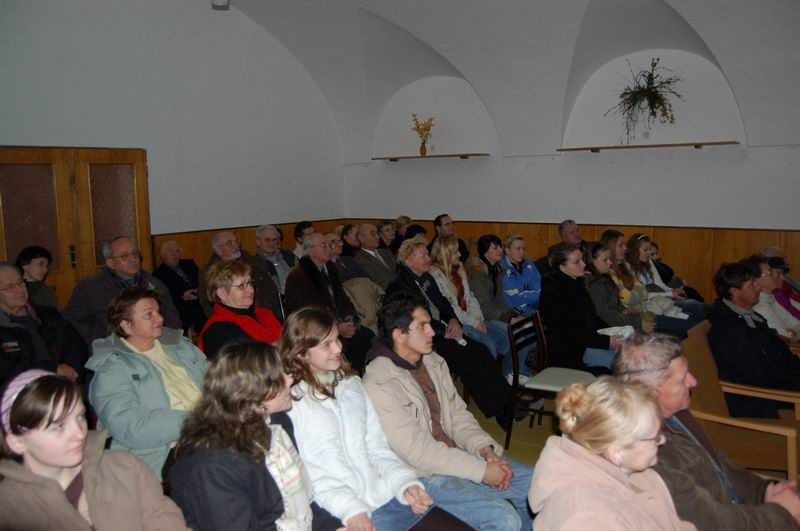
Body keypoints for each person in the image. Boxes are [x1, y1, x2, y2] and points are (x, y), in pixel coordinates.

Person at [363, 291, 534, 530]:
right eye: (422, 326)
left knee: (535, 486)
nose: (432, 332)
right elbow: (418, 452)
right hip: (423, 475)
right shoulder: (379, 382)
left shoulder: (432, 361)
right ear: (399, 335)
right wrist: (482, 471)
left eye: (429, 324)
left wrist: (484, 449)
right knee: (504, 518)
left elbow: (457, 416)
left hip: (457, 454)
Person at [615, 332, 800, 530]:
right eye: (682, 379)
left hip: (747, 511)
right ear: (651, 393)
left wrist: (765, 491)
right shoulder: (647, 456)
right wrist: (780, 513)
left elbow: (718, 463)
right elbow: (711, 522)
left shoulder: (678, 415)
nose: (693, 382)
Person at [279, 307, 434, 530]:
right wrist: (350, 509)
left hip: (384, 495)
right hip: (340, 513)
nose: (338, 348)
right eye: (326, 344)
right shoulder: (293, 403)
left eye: (337, 339)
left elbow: (377, 445)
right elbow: (311, 473)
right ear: (301, 353)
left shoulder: (351, 385)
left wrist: (404, 483)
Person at [169, 342, 342, 531]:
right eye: (280, 376)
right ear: (253, 391)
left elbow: (302, 507)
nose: (290, 380)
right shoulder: (212, 464)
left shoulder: (274, 426)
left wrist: (334, 528)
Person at [0, 370, 190, 531]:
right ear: (17, 442)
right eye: (58, 426)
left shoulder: (125, 467)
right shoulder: (9, 508)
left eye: (80, 417)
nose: (79, 433)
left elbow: (166, 522)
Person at [529, 376, 696, 530]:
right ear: (617, 453)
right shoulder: (586, 518)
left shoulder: (636, 473)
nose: (662, 441)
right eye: (654, 437)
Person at [385, 236, 515, 426]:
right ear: (408, 260)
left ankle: (508, 400)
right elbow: (414, 319)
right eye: (423, 255)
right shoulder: (400, 285)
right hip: (419, 337)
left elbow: (443, 302)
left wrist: (453, 319)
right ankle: (497, 409)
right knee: (466, 357)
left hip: (438, 328)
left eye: (427, 254)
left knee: (480, 350)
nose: (428, 258)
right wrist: (443, 330)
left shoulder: (425, 277)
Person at [86, 286, 208, 477]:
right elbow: (130, 426)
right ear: (126, 325)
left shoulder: (180, 346)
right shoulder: (112, 369)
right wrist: (199, 421)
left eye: (158, 312)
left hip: (209, 432)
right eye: (148, 314)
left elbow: (215, 382)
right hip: (162, 450)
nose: (160, 319)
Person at [708, 261, 800, 418]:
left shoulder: (750, 316)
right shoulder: (727, 328)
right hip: (762, 399)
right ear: (735, 291)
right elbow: (754, 375)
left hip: (780, 381)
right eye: (752, 284)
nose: (758, 287)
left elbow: (777, 352)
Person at [284, 232, 375, 373]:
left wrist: (349, 317)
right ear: (310, 251)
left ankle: (357, 375)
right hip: (318, 329)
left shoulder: (330, 268)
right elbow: (308, 312)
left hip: (338, 321)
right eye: (323, 245)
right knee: (351, 342)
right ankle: (346, 374)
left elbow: (342, 297)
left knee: (367, 335)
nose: (329, 248)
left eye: (329, 244)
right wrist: (337, 327)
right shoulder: (298, 276)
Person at [64, 236, 180, 344]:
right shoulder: (90, 287)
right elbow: (73, 322)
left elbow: (172, 319)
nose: (133, 259)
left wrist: (162, 341)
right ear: (111, 263)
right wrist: (102, 339)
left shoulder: (154, 284)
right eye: (124, 256)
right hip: (111, 347)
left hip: (153, 345)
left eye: (135, 253)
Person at [430, 236, 513, 379]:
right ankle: (487, 380)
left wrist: (477, 318)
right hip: (457, 324)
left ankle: (505, 375)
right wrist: (474, 323)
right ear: (445, 254)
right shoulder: (436, 277)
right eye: (455, 252)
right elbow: (451, 309)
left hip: (472, 318)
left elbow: (471, 297)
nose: (460, 254)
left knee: (507, 336)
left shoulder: (459, 270)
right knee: (489, 346)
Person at [0, 263, 88, 387]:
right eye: (9, 287)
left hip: (66, 385)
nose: (20, 290)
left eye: (21, 283)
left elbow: (76, 345)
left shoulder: (48, 315)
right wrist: (51, 370)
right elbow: (6, 369)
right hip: (22, 393)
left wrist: (72, 372)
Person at [600, 230, 696, 339]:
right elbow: (630, 298)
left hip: (645, 308)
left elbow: (643, 291)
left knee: (691, 317)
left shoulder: (623, 268)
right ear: (610, 247)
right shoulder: (611, 272)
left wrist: (669, 292)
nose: (625, 248)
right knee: (689, 324)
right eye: (621, 245)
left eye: (625, 245)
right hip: (638, 314)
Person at [538, 243, 619, 372]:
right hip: (571, 351)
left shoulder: (576, 282)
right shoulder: (552, 291)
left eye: (582, 259)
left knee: (629, 352)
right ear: (562, 268)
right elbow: (569, 332)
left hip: (586, 341)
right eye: (577, 262)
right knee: (620, 362)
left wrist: (612, 333)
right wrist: (606, 341)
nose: (583, 264)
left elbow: (591, 317)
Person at [198, 260, 282, 361]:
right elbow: (248, 365)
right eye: (242, 286)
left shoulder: (264, 314)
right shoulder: (218, 330)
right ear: (222, 293)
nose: (251, 290)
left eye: (250, 283)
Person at [198, 231, 283, 322]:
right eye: (229, 243)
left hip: (264, 314)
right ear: (218, 250)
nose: (235, 246)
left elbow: (271, 290)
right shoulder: (209, 272)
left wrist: (265, 313)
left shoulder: (256, 262)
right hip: (230, 319)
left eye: (236, 241)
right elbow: (206, 302)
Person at [625, 233, 704, 325]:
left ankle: (698, 330)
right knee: (692, 307)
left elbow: (660, 284)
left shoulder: (648, 262)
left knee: (696, 305)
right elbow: (643, 296)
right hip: (649, 304)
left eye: (649, 249)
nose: (648, 253)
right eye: (645, 250)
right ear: (634, 251)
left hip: (661, 299)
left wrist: (673, 291)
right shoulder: (628, 268)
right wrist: (670, 294)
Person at [584, 241, 656, 333]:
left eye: (610, 258)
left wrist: (630, 311)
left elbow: (617, 305)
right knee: (661, 329)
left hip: (620, 324)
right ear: (592, 261)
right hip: (607, 329)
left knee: (656, 321)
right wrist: (638, 324)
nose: (610, 262)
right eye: (605, 260)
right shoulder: (591, 284)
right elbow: (606, 316)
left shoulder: (605, 277)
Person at [326, 232, 384, 335]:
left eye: (340, 241)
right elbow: (339, 286)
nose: (339, 244)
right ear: (325, 245)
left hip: (365, 295)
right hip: (351, 300)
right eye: (334, 242)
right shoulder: (326, 266)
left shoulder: (348, 260)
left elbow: (366, 277)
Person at [152, 240, 207, 334]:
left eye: (177, 251)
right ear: (163, 255)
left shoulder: (189, 264)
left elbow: (202, 280)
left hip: (201, 301)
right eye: (171, 251)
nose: (175, 254)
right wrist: (183, 297)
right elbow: (164, 300)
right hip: (182, 309)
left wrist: (199, 289)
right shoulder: (158, 274)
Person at [746, 255, 800, 346]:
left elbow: (796, 323)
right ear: (756, 279)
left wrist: (793, 331)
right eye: (770, 273)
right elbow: (786, 342)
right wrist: (791, 333)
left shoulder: (772, 298)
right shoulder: (759, 306)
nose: (781, 277)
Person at [501, 234, 542, 317]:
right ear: (507, 250)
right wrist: (529, 294)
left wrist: (525, 294)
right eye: (518, 249)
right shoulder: (501, 269)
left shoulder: (529, 264)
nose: (522, 252)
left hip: (536, 307)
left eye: (523, 249)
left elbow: (538, 290)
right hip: (516, 313)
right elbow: (514, 298)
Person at [255, 224, 297, 295]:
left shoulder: (289, 255)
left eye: (274, 240)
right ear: (258, 241)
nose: (272, 244)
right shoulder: (255, 263)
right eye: (267, 240)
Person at [355, 223, 397, 290]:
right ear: (361, 238)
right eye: (373, 234)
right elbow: (377, 283)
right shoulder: (360, 260)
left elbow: (399, 269)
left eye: (377, 234)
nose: (377, 237)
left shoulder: (385, 252)